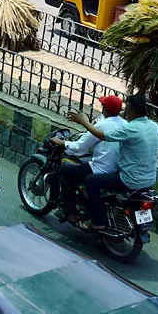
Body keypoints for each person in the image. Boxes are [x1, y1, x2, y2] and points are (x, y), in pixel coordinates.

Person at [66, 93, 158, 231]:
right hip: (149, 180)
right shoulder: (155, 127)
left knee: (91, 181)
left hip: (128, 180)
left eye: (127, 110)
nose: (125, 113)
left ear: (132, 111)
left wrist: (84, 122)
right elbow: (157, 152)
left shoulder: (131, 128)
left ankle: (97, 222)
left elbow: (102, 136)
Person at [51, 95, 126, 224]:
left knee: (64, 171)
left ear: (105, 109)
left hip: (100, 169)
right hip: (116, 171)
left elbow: (79, 147)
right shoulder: (126, 125)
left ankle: (71, 213)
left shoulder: (102, 125)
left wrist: (62, 143)